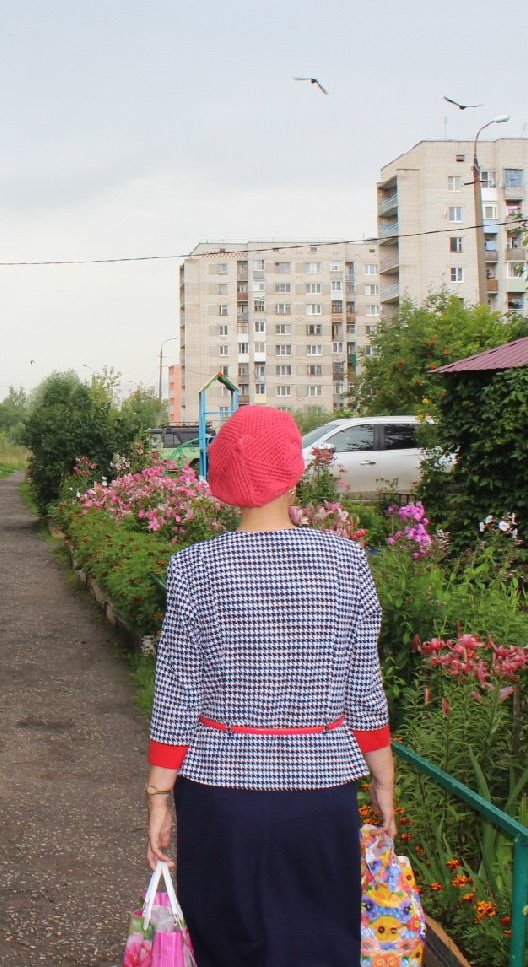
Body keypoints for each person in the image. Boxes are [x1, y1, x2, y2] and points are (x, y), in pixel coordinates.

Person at [144, 405, 394, 966]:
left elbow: (177, 696)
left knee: (224, 943)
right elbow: (364, 688)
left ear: (222, 483)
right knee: (321, 942)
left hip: (218, 796)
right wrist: (383, 780)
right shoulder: (347, 562)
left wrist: (159, 795)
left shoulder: (192, 568)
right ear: (296, 470)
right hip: (320, 790)